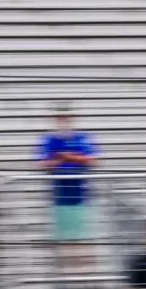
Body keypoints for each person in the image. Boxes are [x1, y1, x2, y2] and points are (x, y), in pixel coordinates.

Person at [36, 103, 99, 274]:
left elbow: (93, 160)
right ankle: (68, 274)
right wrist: (63, 159)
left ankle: (87, 275)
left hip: (82, 195)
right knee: (64, 239)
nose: (64, 121)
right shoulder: (49, 140)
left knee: (84, 236)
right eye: (60, 118)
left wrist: (66, 156)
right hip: (59, 197)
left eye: (67, 118)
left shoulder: (83, 138)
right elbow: (42, 164)